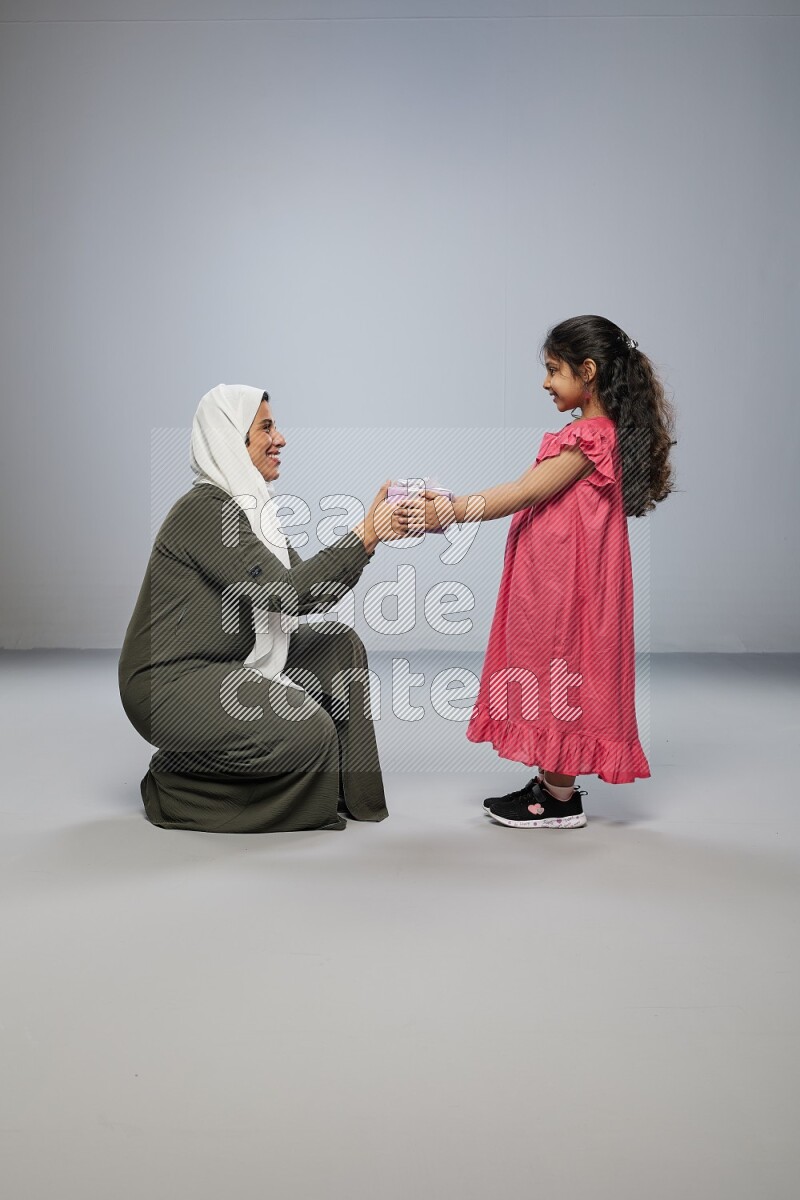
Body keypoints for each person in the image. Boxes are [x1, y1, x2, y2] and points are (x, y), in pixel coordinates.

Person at [412, 315, 676, 829]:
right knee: (558, 668)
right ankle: (554, 784)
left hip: (567, 584)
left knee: (562, 667)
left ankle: (558, 798)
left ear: (589, 371)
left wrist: (449, 509)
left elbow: (525, 491)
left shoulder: (588, 438)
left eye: (554, 370)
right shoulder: (596, 433)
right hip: (562, 576)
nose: (546, 381)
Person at [118, 384, 413, 834]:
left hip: (222, 663)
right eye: (267, 428)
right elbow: (286, 594)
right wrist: (364, 535)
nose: (281, 439)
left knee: (339, 647)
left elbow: (306, 592)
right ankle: (174, 784)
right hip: (167, 684)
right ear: (231, 440)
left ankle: (351, 793)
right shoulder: (204, 512)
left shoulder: (253, 512)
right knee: (309, 731)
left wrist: (371, 538)